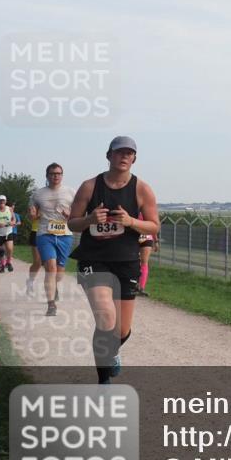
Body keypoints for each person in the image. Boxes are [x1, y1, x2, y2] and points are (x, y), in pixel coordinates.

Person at [67, 136, 159, 384]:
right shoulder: (90, 186)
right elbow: (72, 223)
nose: (124, 156)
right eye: (119, 152)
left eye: (129, 153)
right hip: (94, 259)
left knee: (121, 330)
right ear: (109, 156)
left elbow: (154, 225)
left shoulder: (142, 189)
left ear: (134, 159)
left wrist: (131, 221)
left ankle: (111, 352)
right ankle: (103, 381)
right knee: (106, 318)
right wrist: (90, 220)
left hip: (126, 261)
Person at [30, 163, 76, 315]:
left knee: (59, 272)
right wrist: (33, 214)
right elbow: (32, 214)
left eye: (58, 173)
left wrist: (70, 215)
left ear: (62, 175)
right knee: (50, 267)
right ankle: (51, 305)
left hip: (65, 234)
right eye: (52, 173)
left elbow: (79, 214)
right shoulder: (38, 194)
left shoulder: (71, 192)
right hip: (45, 234)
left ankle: (54, 287)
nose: (55, 176)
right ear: (47, 175)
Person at [0, 195, 16, 273]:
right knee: (1, 251)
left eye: (3, 200)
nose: (2, 202)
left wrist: (12, 222)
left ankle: (9, 262)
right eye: (0, 200)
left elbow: (14, 219)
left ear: (5, 201)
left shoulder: (9, 209)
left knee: (10, 248)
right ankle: (2, 265)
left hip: (8, 232)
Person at [135, 214, 158, 297]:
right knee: (134, 261)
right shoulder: (131, 207)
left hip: (146, 236)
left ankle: (141, 288)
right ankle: (134, 285)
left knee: (144, 262)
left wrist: (156, 240)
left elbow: (153, 225)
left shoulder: (147, 210)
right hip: (134, 237)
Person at [26, 203, 42, 296]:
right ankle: (30, 281)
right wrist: (40, 215)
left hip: (51, 233)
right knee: (37, 262)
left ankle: (53, 287)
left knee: (52, 262)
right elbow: (30, 218)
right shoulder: (35, 204)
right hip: (36, 232)